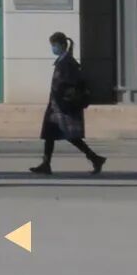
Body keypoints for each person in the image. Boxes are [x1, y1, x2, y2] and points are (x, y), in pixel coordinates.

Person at [30, 31, 106, 175]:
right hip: (56, 106)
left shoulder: (68, 62)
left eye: (54, 45)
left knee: (70, 136)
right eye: (52, 45)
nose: (53, 48)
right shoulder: (63, 61)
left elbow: (69, 83)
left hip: (63, 106)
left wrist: (62, 96)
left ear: (62, 45)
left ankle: (94, 158)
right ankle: (46, 163)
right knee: (50, 134)